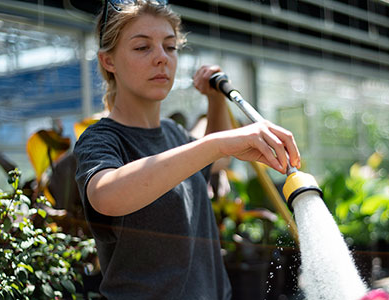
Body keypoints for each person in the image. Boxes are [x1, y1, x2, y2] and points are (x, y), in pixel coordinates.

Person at [73, 0, 301, 299]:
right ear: (108, 61)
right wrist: (215, 143)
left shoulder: (173, 134)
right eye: (142, 47)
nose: (161, 59)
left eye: (170, 47)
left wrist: (215, 99)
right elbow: (106, 196)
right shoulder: (101, 139)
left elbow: (215, 163)